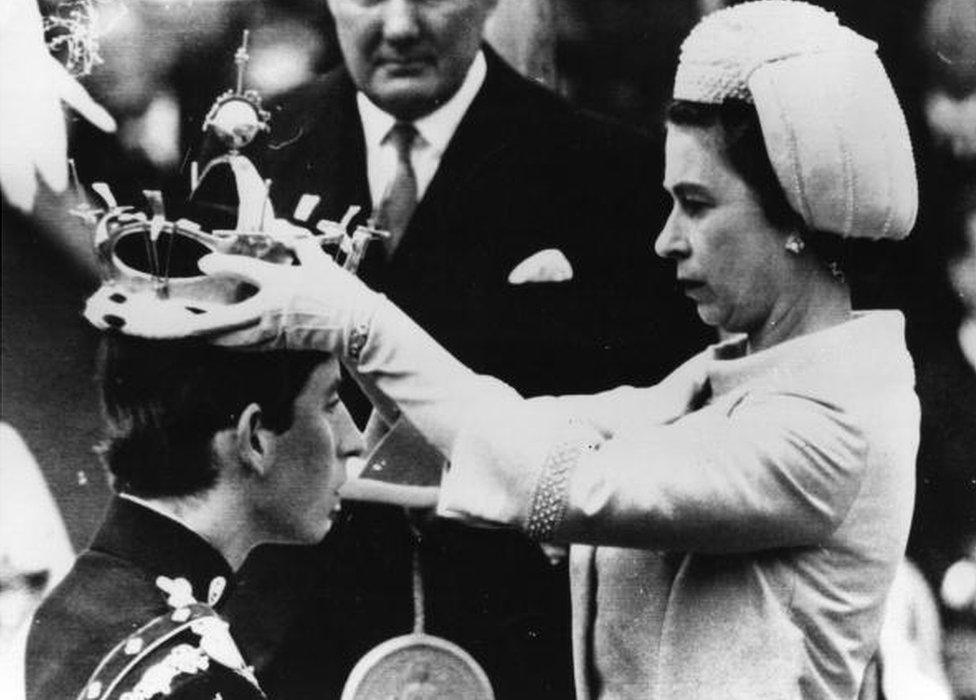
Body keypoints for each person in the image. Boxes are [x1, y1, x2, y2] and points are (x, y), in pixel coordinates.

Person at [191, 1, 921, 697]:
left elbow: (566, 482)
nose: (667, 239)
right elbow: (516, 431)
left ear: (795, 216)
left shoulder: (835, 422)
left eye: (696, 206)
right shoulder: (725, 378)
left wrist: (359, 322)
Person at [229, 0, 707, 696]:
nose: (398, 26)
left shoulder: (606, 171)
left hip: (513, 642)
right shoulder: (251, 148)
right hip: (291, 644)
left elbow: (657, 441)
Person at [25, 333, 363, 698]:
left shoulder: (59, 613)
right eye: (329, 404)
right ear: (254, 440)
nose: (354, 440)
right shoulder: (200, 680)